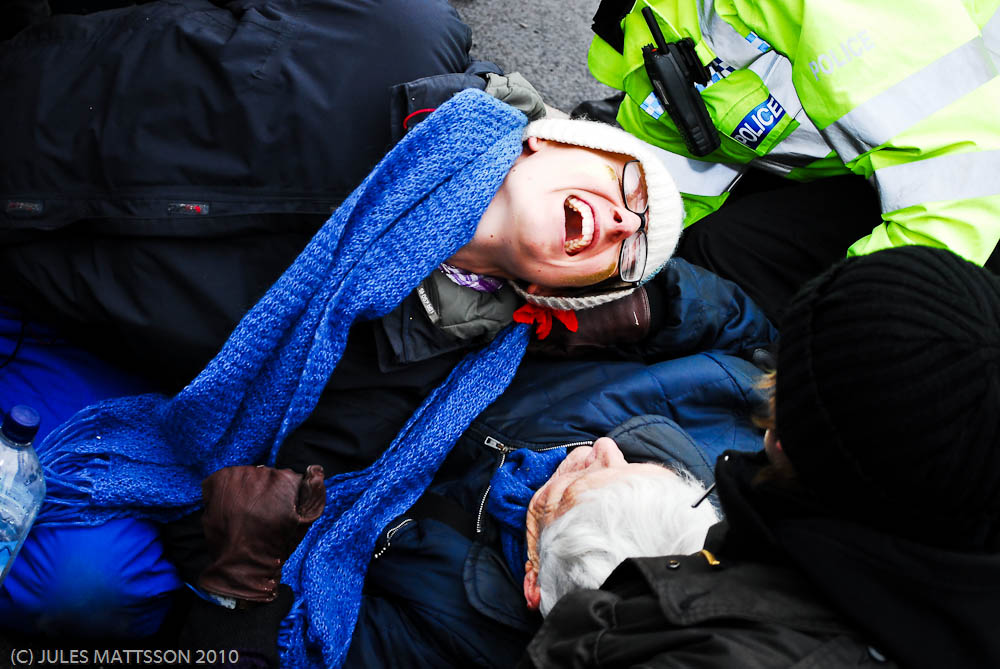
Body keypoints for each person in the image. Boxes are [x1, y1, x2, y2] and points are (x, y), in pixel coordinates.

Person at [524, 244, 1000, 668]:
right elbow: (752, 337)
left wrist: (576, 556)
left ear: (784, 440)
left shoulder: (704, 649)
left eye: (781, 389)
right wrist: (651, 303)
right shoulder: (941, 496)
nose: (767, 393)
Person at [576, 0, 1000, 324]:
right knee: (706, 257)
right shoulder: (651, 16)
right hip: (901, 162)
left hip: (976, 184)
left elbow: (957, 195)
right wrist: (604, 279)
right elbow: (668, 168)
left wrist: (824, 347)